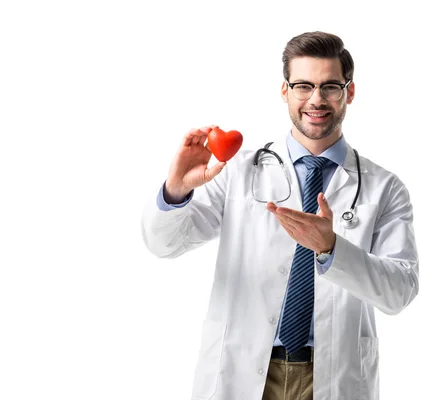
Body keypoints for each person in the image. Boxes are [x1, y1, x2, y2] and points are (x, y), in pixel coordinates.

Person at [141, 31, 419, 400]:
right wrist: (177, 189)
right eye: (303, 86)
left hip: (332, 377)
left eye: (330, 87)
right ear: (285, 91)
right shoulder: (239, 171)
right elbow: (163, 244)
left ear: (349, 92)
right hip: (241, 373)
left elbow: (399, 292)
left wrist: (331, 248)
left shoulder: (384, 188)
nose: (316, 100)